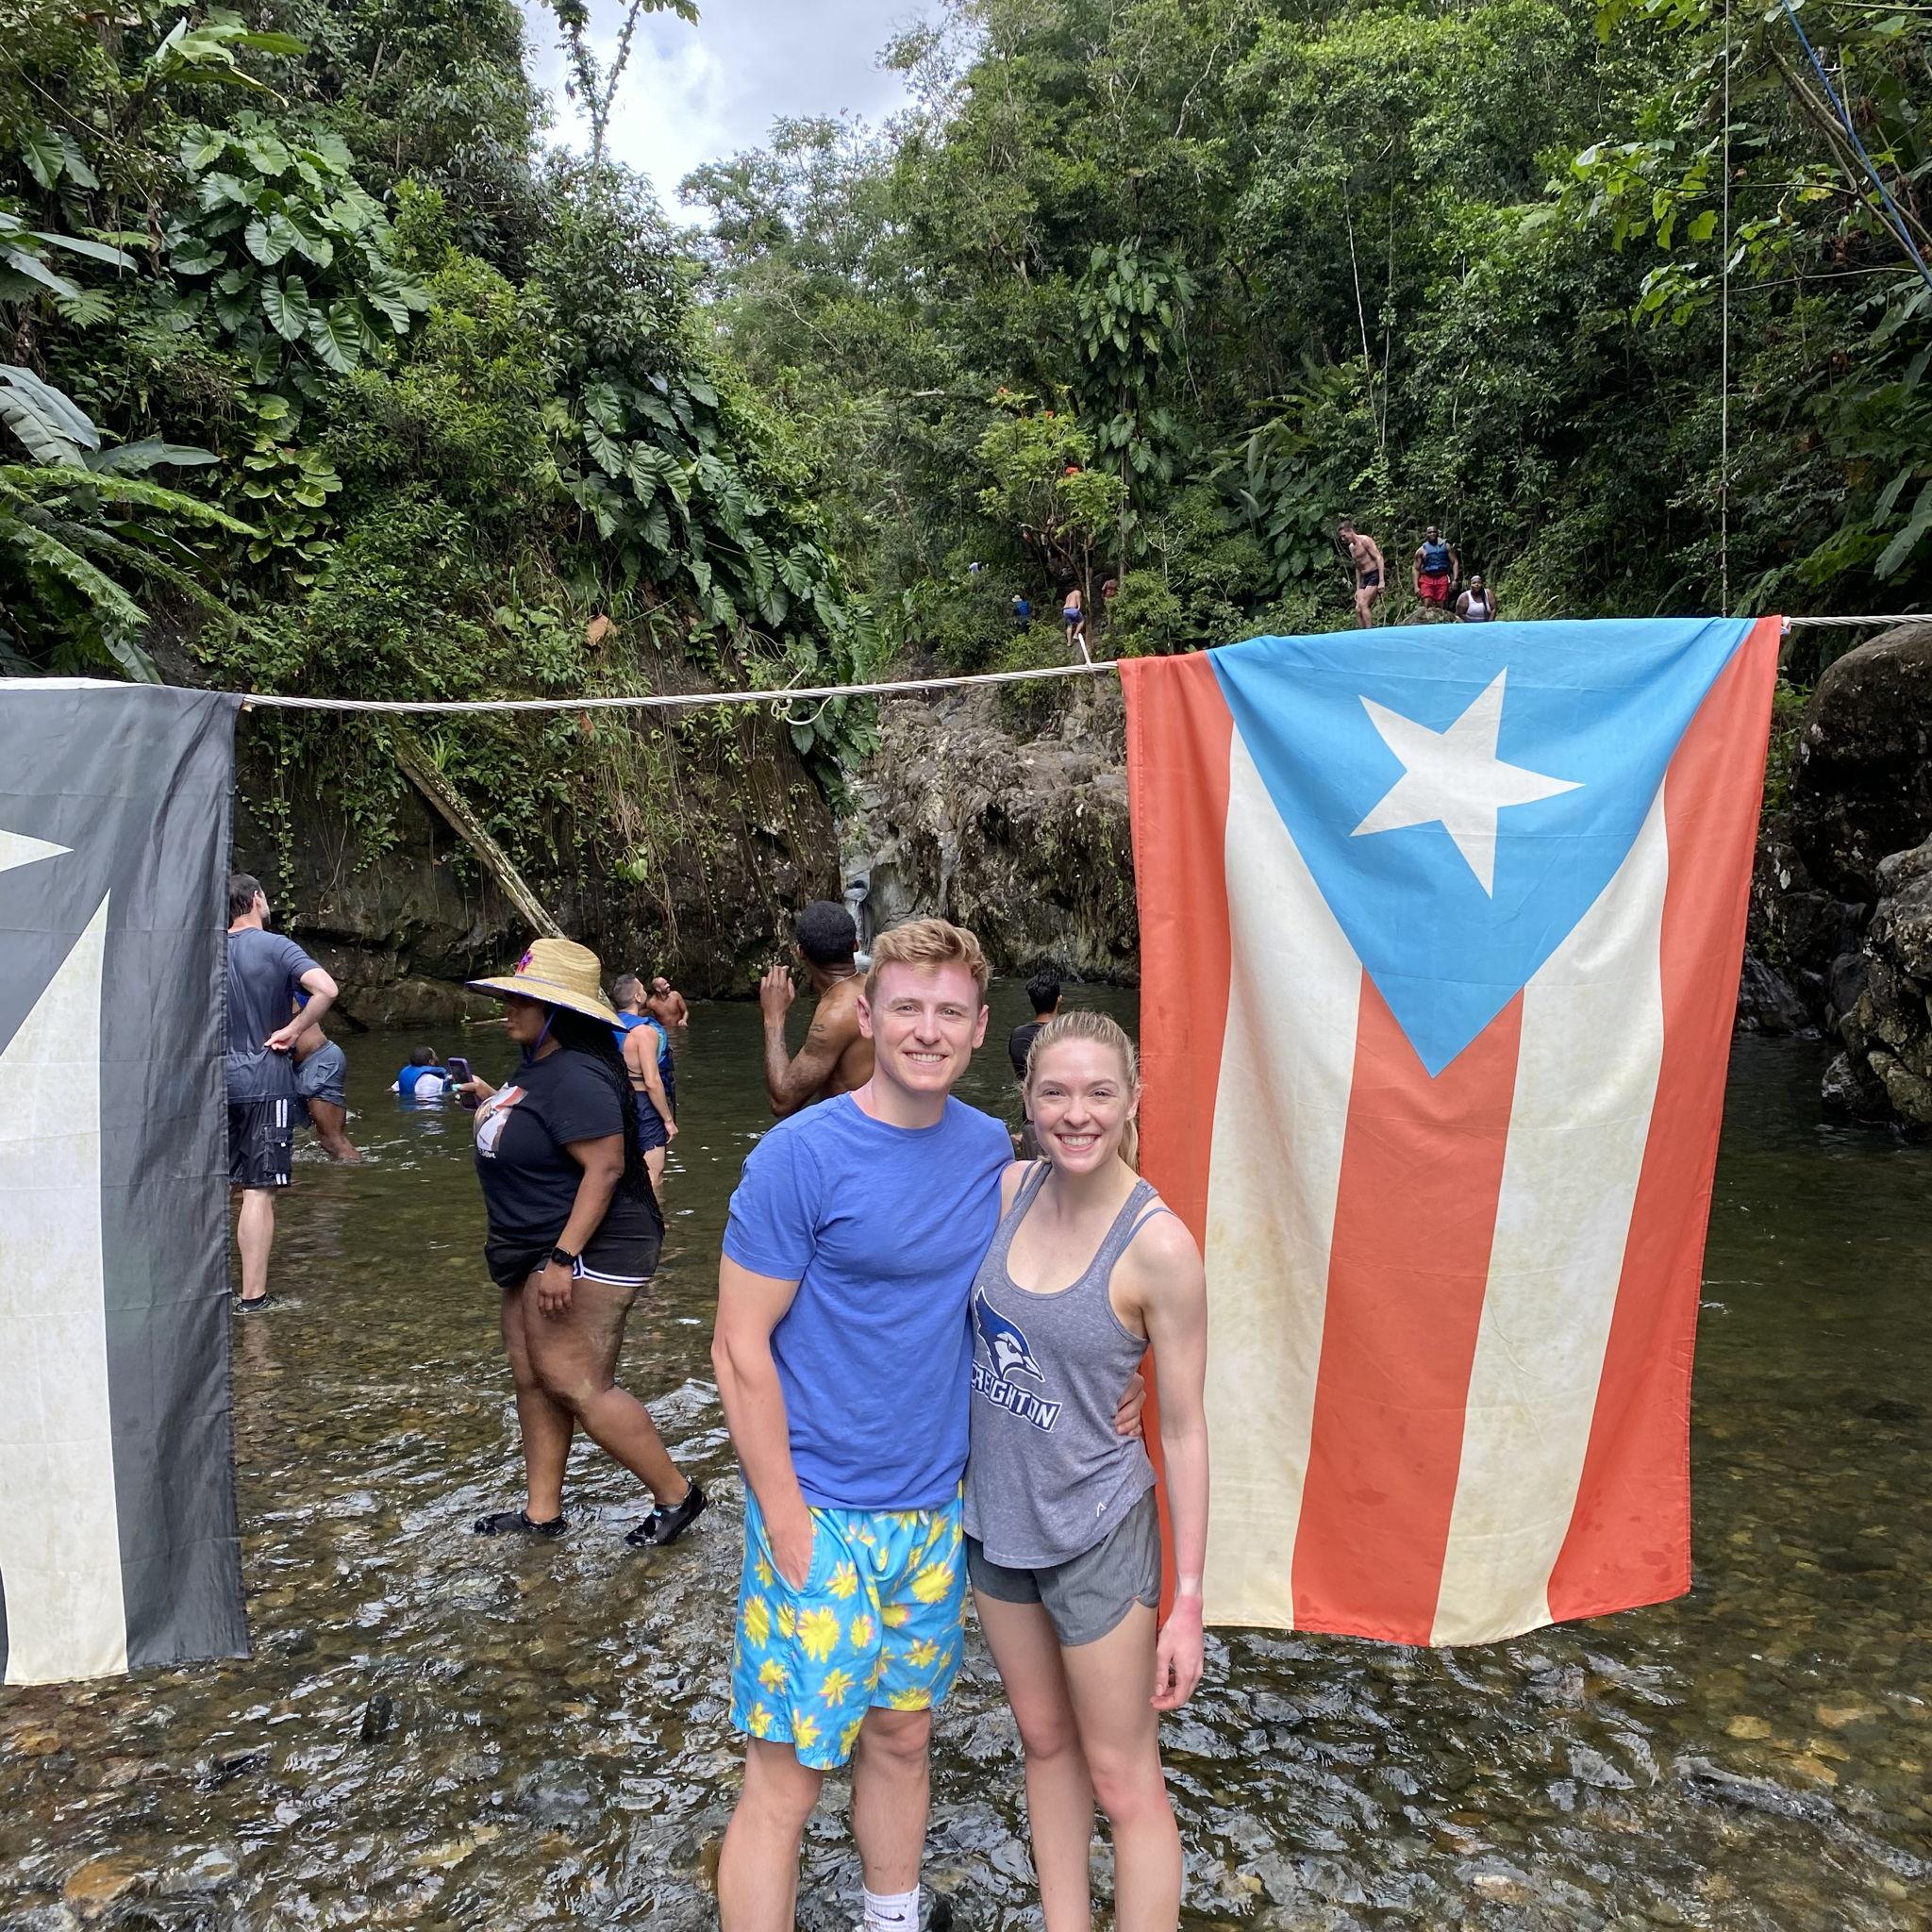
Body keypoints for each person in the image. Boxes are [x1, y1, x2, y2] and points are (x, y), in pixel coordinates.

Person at [710, 919, 1146, 1932]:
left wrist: (1139, 1371)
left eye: (949, 1011)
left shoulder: (988, 1149)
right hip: (816, 1506)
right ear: (866, 1012)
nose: (925, 1028)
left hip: (932, 1510)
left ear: (982, 1025)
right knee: (785, 1771)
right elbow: (738, 1349)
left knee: (903, 1733)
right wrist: (783, 1519)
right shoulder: (797, 1156)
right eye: (904, 1005)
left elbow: (1092, 1259)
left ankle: (891, 1915)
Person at [965, 1011, 1208, 1932]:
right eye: (1055, 1092)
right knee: (1042, 1740)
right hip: (996, 1523)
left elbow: (1183, 1429)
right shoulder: (1006, 1190)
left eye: (1098, 1092)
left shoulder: (1158, 1247)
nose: (1076, 1113)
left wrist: (1185, 1599)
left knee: (1122, 1774)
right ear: (1025, 1102)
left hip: (1097, 1530)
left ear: (1131, 1100)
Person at [458, 937, 706, 1548]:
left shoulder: (575, 1074)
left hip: (592, 1244)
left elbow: (605, 1169)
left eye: (523, 999)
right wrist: (493, 1104)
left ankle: (676, 1495)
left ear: (558, 1011)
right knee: (532, 1376)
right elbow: (544, 1134)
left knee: (574, 1379)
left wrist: (565, 1258)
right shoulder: (541, 1067)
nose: (510, 1007)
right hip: (534, 1242)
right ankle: (542, 1512)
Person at [225, 873, 338, 1310]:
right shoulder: (276, 946)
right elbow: (326, 989)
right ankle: (252, 1298)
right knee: (258, 1189)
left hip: (212, 1084)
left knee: (218, 1186)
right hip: (264, 1080)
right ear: (255, 899)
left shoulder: (204, 951)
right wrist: (292, 1030)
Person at [758, 899, 874, 1118]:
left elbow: (783, 1101)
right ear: (855, 945)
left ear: (800, 952)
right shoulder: (877, 988)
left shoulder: (835, 1015)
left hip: (855, 1138)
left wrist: (773, 1016)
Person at [613, 973, 678, 1197]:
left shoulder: (606, 1027)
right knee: (653, 1176)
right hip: (643, 1105)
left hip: (615, 1103)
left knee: (621, 1171)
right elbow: (652, 1081)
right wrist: (668, 1120)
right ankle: (654, 1225)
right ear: (638, 996)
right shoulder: (644, 1033)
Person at [291, 1003, 359, 1161]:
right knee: (279, 1142)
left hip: (319, 1059)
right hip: (290, 1066)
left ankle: (356, 1176)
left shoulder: (270, 984)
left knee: (332, 1140)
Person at [1008, 972, 1062, 1161]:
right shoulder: (1066, 1037)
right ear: (1059, 999)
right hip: (1060, 1121)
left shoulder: (1018, 1036)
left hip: (1030, 1120)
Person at [1337, 519, 1385, 628]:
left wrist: (1381, 581)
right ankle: (1362, 633)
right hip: (1364, 577)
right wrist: (1358, 588)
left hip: (1374, 574)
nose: (1343, 539)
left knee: (1363, 604)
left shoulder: (1365, 541)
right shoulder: (1351, 548)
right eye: (1341, 537)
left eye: (1344, 536)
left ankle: (1369, 632)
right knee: (1358, 609)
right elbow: (1357, 567)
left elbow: (1379, 558)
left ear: (1350, 531)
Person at [1411, 525, 1460, 611]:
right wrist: (1416, 587)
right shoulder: (1421, 550)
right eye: (1430, 532)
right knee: (1427, 602)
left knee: (1441, 605)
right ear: (1426, 535)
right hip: (1427, 578)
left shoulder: (1447, 547)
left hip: (1442, 577)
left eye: (1434, 532)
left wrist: (1455, 579)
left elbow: (1455, 562)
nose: (1432, 534)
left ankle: (1440, 622)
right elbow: (1416, 569)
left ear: (1437, 533)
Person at [1061, 585, 1087, 658]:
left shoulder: (1069, 595)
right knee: (1082, 621)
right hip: (1073, 609)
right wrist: (1079, 607)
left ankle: (1069, 642)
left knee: (1069, 626)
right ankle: (1075, 635)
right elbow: (1078, 600)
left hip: (1065, 611)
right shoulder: (1077, 592)